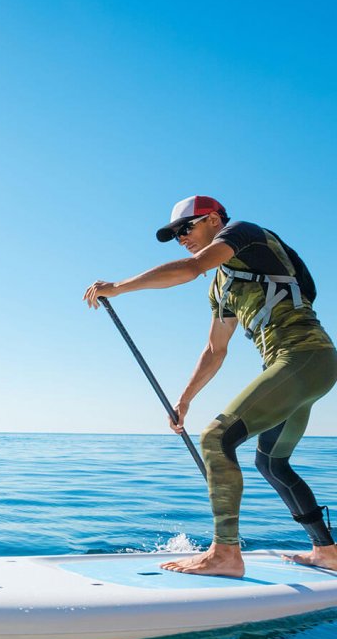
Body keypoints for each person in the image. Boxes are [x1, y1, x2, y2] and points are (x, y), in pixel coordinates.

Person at [83, 195, 337, 576]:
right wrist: (183, 401)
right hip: (300, 369)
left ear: (214, 220)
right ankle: (328, 552)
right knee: (271, 463)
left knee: (216, 439)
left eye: (186, 228)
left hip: (305, 357)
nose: (181, 237)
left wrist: (117, 287)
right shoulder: (221, 286)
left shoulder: (245, 233)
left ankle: (225, 554)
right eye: (175, 235)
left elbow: (191, 267)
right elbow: (215, 349)